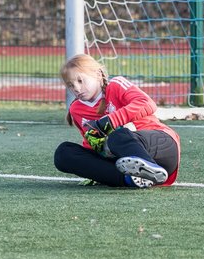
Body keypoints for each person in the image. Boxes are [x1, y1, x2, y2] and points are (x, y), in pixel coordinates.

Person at [54, 54, 181, 188]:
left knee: (117, 136)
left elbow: (147, 104)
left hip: (160, 146)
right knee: (63, 153)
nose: (77, 89)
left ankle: (150, 169)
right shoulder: (76, 109)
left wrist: (110, 121)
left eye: (80, 81)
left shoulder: (116, 85)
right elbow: (91, 144)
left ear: (97, 74)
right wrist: (92, 166)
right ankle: (129, 179)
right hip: (120, 158)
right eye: (71, 85)